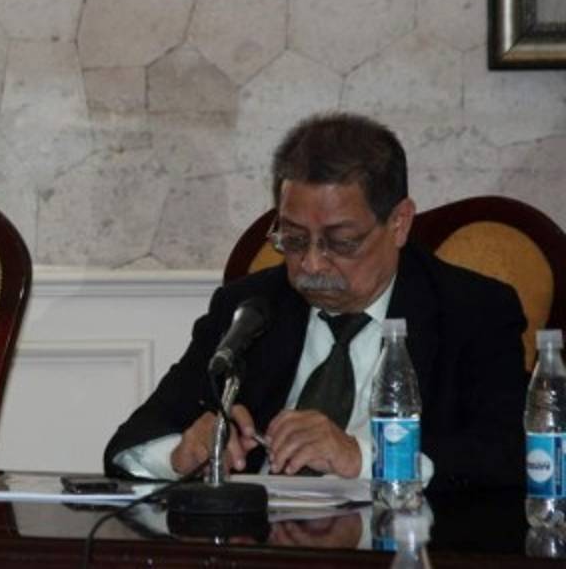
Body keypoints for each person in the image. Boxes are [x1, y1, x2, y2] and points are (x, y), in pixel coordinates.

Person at [105, 112, 528, 491]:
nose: (311, 263)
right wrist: (181, 454)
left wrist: (361, 456)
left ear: (399, 224)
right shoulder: (251, 308)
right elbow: (131, 443)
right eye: (293, 239)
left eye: (340, 242)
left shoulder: (473, 311)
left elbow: (511, 455)